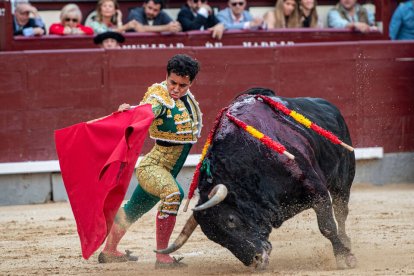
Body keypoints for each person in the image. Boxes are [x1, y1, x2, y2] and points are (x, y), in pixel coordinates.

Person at [98, 54, 202, 269]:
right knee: (173, 195)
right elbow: (148, 110)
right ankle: (163, 258)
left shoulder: (188, 99)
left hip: (165, 170)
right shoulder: (158, 95)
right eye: (172, 82)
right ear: (166, 76)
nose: (176, 89)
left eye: (182, 85)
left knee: (133, 209)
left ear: (190, 83)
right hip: (153, 167)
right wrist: (130, 113)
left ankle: (109, 252)